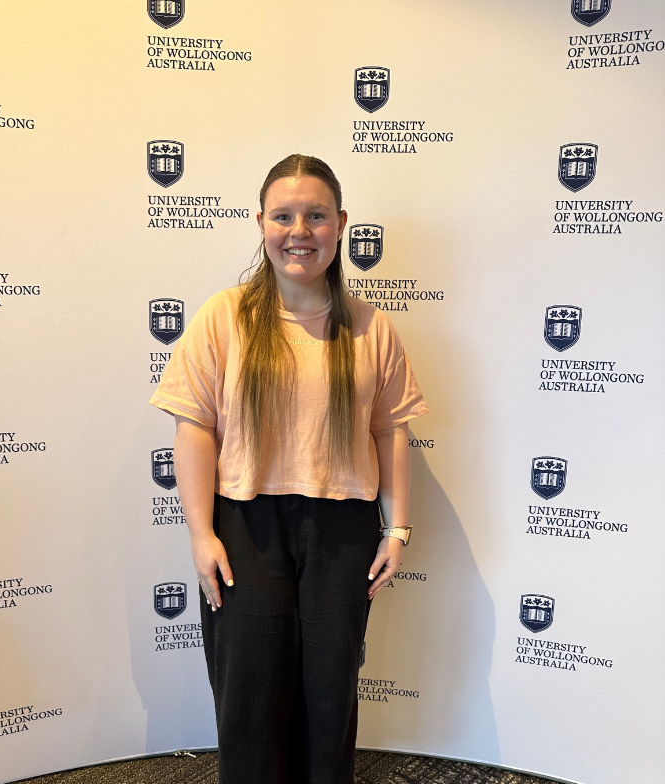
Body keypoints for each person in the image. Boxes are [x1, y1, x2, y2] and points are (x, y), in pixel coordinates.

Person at [149, 154, 429, 783]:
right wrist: (201, 534)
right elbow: (193, 427)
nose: (299, 229)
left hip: (342, 531)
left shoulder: (369, 326)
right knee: (249, 694)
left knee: (330, 695)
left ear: (340, 225)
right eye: (283, 215)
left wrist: (398, 528)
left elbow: (391, 429)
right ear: (261, 224)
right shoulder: (223, 316)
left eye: (315, 215)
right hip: (245, 529)